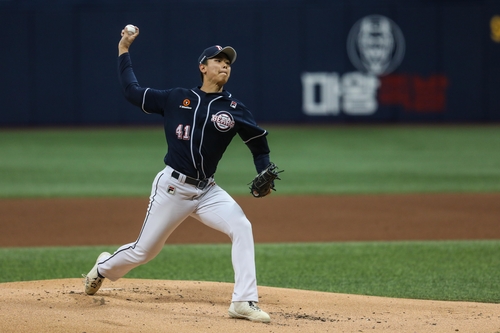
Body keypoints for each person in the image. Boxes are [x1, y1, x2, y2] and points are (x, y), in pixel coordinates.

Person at [84, 25, 274, 323]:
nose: (225, 64)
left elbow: (258, 144)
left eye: (228, 62)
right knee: (143, 252)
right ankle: (103, 268)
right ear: (203, 67)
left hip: (208, 190)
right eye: (218, 60)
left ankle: (243, 301)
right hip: (172, 188)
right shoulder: (176, 98)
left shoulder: (234, 109)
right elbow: (132, 92)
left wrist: (264, 169)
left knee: (242, 227)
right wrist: (124, 50)